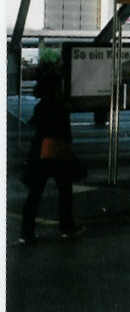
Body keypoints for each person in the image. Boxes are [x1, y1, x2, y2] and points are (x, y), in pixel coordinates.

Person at [20, 61, 80, 244]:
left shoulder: (41, 107)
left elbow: (34, 125)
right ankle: (66, 228)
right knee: (65, 191)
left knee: (35, 194)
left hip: (40, 154)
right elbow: (64, 133)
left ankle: (27, 233)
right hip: (58, 154)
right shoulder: (61, 106)